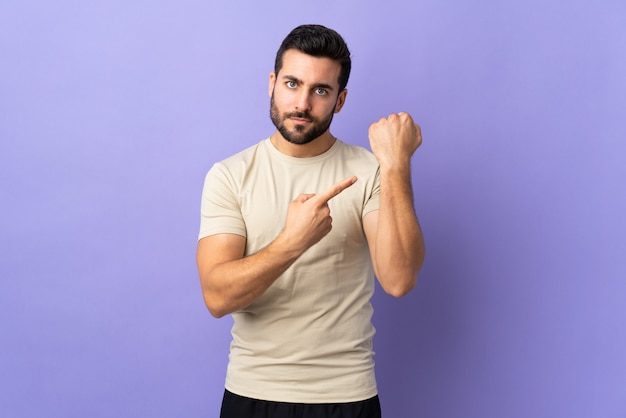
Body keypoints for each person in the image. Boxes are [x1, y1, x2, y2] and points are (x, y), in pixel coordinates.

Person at [196, 24, 425, 418]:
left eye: (320, 90)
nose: (302, 102)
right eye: (291, 83)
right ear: (271, 83)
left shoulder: (370, 171)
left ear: (340, 100)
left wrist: (396, 165)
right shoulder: (230, 175)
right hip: (253, 391)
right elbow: (217, 298)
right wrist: (293, 242)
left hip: (346, 395)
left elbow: (399, 278)